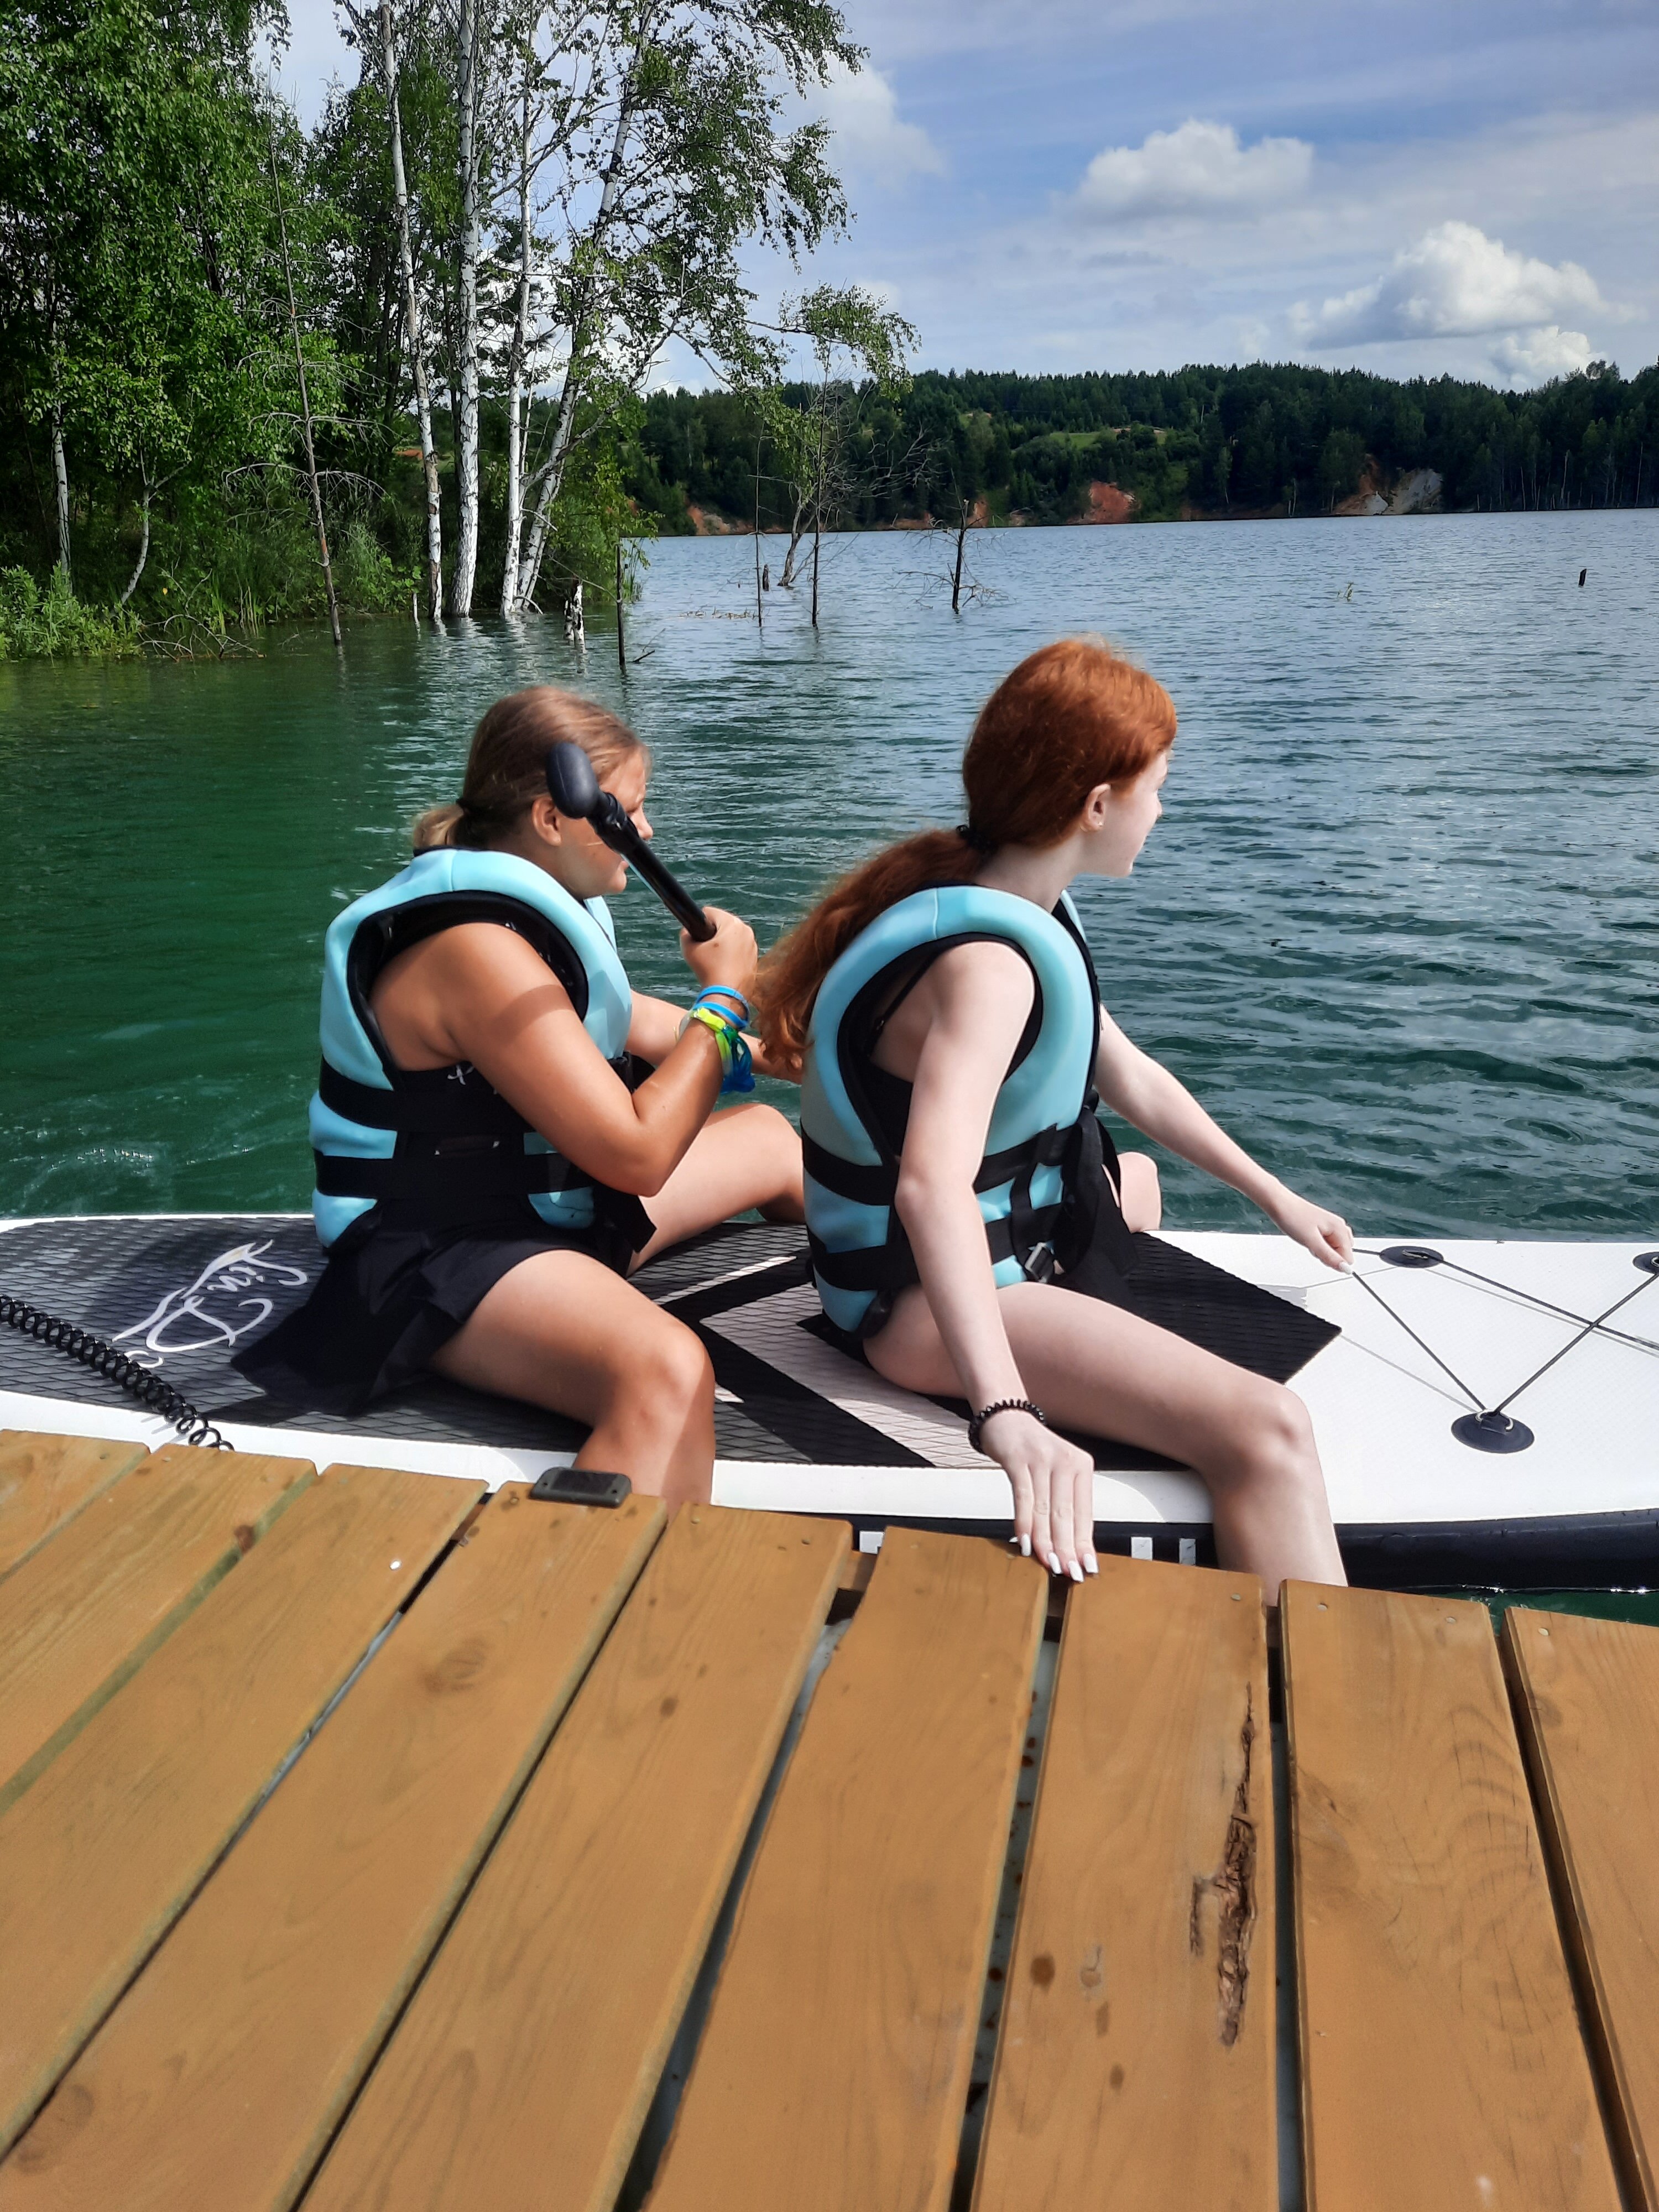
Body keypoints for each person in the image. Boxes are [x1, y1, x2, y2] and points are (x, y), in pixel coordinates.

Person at [756, 638, 1349, 1597]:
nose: (1164, 808)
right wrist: (1007, 1414)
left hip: (987, 1252)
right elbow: (930, 1185)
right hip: (925, 1310)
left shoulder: (1023, 900)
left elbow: (1133, 1079)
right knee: (1269, 1429)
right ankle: (1325, 1708)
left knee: (1137, 1180)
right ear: (1098, 804)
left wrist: (1277, 1196)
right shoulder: (988, 968)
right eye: (1157, 786)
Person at [237, 685, 802, 1503]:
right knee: (667, 1371)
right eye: (633, 812)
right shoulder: (474, 951)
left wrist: (789, 1056)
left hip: (547, 1209)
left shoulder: (535, 921)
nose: (647, 833)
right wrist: (724, 997)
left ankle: (906, 1308)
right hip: (440, 1251)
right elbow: (637, 1153)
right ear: (552, 818)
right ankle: (575, 1607)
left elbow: (623, 1016)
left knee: (772, 1142)